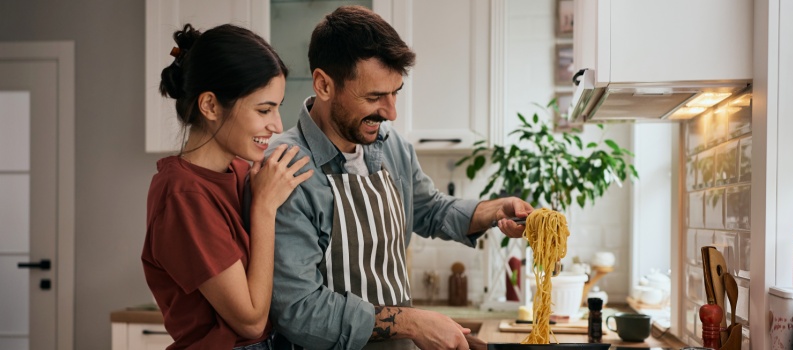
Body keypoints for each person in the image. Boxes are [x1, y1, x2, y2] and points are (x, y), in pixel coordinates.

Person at [250, 6, 533, 350]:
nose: (391, 112)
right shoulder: (284, 167)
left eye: (395, 92)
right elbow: (300, 310)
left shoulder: (389, 144)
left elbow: (428, 209)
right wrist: (411, 322)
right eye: (373, 97)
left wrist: (494, 211)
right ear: (324, 84)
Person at [141, 23, 313, 349]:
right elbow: (250, 321)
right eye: (264, 109)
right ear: (210, 106)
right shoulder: (183, 194)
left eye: (277, 108)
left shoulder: (238, 170)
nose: (277, 125)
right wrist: (264, 208)